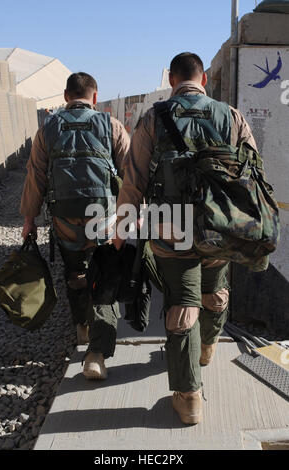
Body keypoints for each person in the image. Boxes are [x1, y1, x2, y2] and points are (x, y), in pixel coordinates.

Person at [113, 52, 258, 425]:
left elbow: (135, 178)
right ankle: (208, 346)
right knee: (215, 292)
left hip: (169, 228)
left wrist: (122, 227)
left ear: (173, 79)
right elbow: (253, 174)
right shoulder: (231, 116)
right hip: (219, 228)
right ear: (204, 79)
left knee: (182, 305)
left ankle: (188, 396)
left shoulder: (153, 118)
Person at [20, 72, 130, 379]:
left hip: (65, 220)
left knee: (77, 274)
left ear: (66, 96)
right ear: (95, 98)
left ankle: (82, 328)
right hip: (104, 219)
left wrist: (29, 220)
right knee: (105, 277)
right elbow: (131, 173)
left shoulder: (48, 128)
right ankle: (96, 354)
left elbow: (36, 177)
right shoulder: (111, 126)